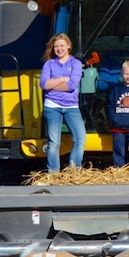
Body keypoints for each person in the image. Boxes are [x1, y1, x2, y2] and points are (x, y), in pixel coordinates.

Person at [40, 33, 86, 171]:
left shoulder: (75, 63)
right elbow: (43, 84)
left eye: (61, 46)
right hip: (52, 107)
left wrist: (52, 85)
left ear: (68, 46)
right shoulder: (49, 64)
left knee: (80, 138)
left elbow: (72, 85)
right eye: (56, 46)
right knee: (54, 142)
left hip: (71, 107)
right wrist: (62, 79)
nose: (59, 49)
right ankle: (53, 173)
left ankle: (73, 170)